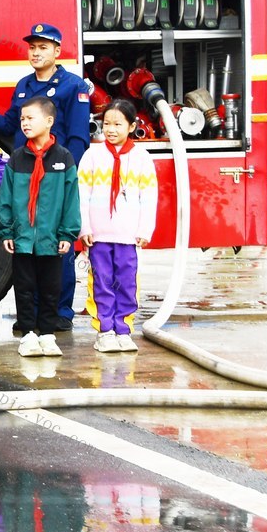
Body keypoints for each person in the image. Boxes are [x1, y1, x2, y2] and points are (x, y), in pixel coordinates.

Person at [0, 23, 90, 331]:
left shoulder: (73, 86)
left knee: (55, 247)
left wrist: (65, 177)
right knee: (26, 246)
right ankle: (29, 314)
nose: (36, 52)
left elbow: (78, 137)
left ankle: (59, 313)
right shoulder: (23, 84)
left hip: (55, 176)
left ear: (57, 51)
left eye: (43, 47)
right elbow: (8, 125)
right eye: (32, 47)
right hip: (24, 175)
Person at [0, 97, 80, 358]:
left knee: (51, 287)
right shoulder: (18, 158)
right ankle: (29, 333)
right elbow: (6, 197)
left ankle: (48, 334)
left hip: (51, 238)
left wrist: (67, 233)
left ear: (49, 121)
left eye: (30, 118)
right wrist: (5, 230)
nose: (25, 123)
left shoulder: (64, 158)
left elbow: (71, 199)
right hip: (23, 238)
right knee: (25, 286)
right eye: (22, 119)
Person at [77, 98, 158, 353]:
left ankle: (123, 329)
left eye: (118, 124)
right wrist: (85, 228)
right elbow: (82, 194)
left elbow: (149, 195)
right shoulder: (92, 155)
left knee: (126, 282)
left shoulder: (142, 157)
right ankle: (105, 331)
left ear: (132, 126)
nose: (111, 129)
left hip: (128, 236)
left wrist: (145, 229)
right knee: (101, 282)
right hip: (99, 235)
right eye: (107, 123)